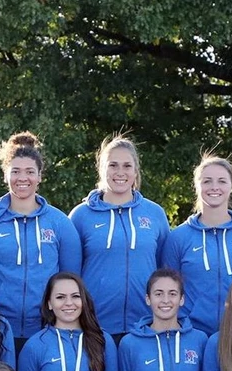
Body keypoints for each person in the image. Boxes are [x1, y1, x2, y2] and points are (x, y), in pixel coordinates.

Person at [0, 131, 81, 350]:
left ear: (39, 176)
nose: (22, 178)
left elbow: (71, 281)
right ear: (5, 175)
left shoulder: (60, 224)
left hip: (48, 329)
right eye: (15, 171)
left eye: (30, 171)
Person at [68, 134, 170, 336]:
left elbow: (165, 270)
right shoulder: (80, 216)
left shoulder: (155, 214)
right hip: (94, 327)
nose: (120, 172)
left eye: (127, 166)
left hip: (145, 326)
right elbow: (69, 275)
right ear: (102, 169)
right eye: (113, 165)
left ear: (136, 171)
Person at [161, 155, 232, 334]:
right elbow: (167, 289)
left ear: (231, 185)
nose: (214, 187)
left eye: (222, 181)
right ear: (196, 186)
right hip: (191, 333)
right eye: (207, 181)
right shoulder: (178, 237)